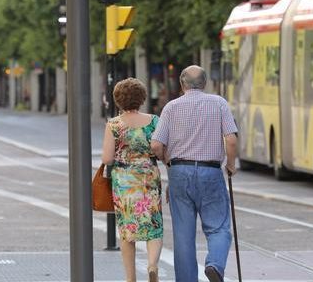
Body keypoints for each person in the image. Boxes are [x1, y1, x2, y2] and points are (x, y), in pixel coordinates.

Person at [150, 65, 238, 282]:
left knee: (183, 236)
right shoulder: (219, 103)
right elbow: (232, 139)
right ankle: (215, 264)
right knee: (218, 227)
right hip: (210, 171)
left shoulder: (171, 107)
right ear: (205, 83)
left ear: (182, 85)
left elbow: (155, 145)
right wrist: (231, 165)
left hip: (180, 172)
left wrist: (169, 165)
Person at [101, 78, 164, 282]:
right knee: (153, 224)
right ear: (142, 98)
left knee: (127, 230)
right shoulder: (154, 120)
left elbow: (107, 158)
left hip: (124, 182)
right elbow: (159, 149)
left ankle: (130, 278)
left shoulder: (114, 124)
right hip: (148, 178)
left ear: (118, 100)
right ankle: (152, 265)